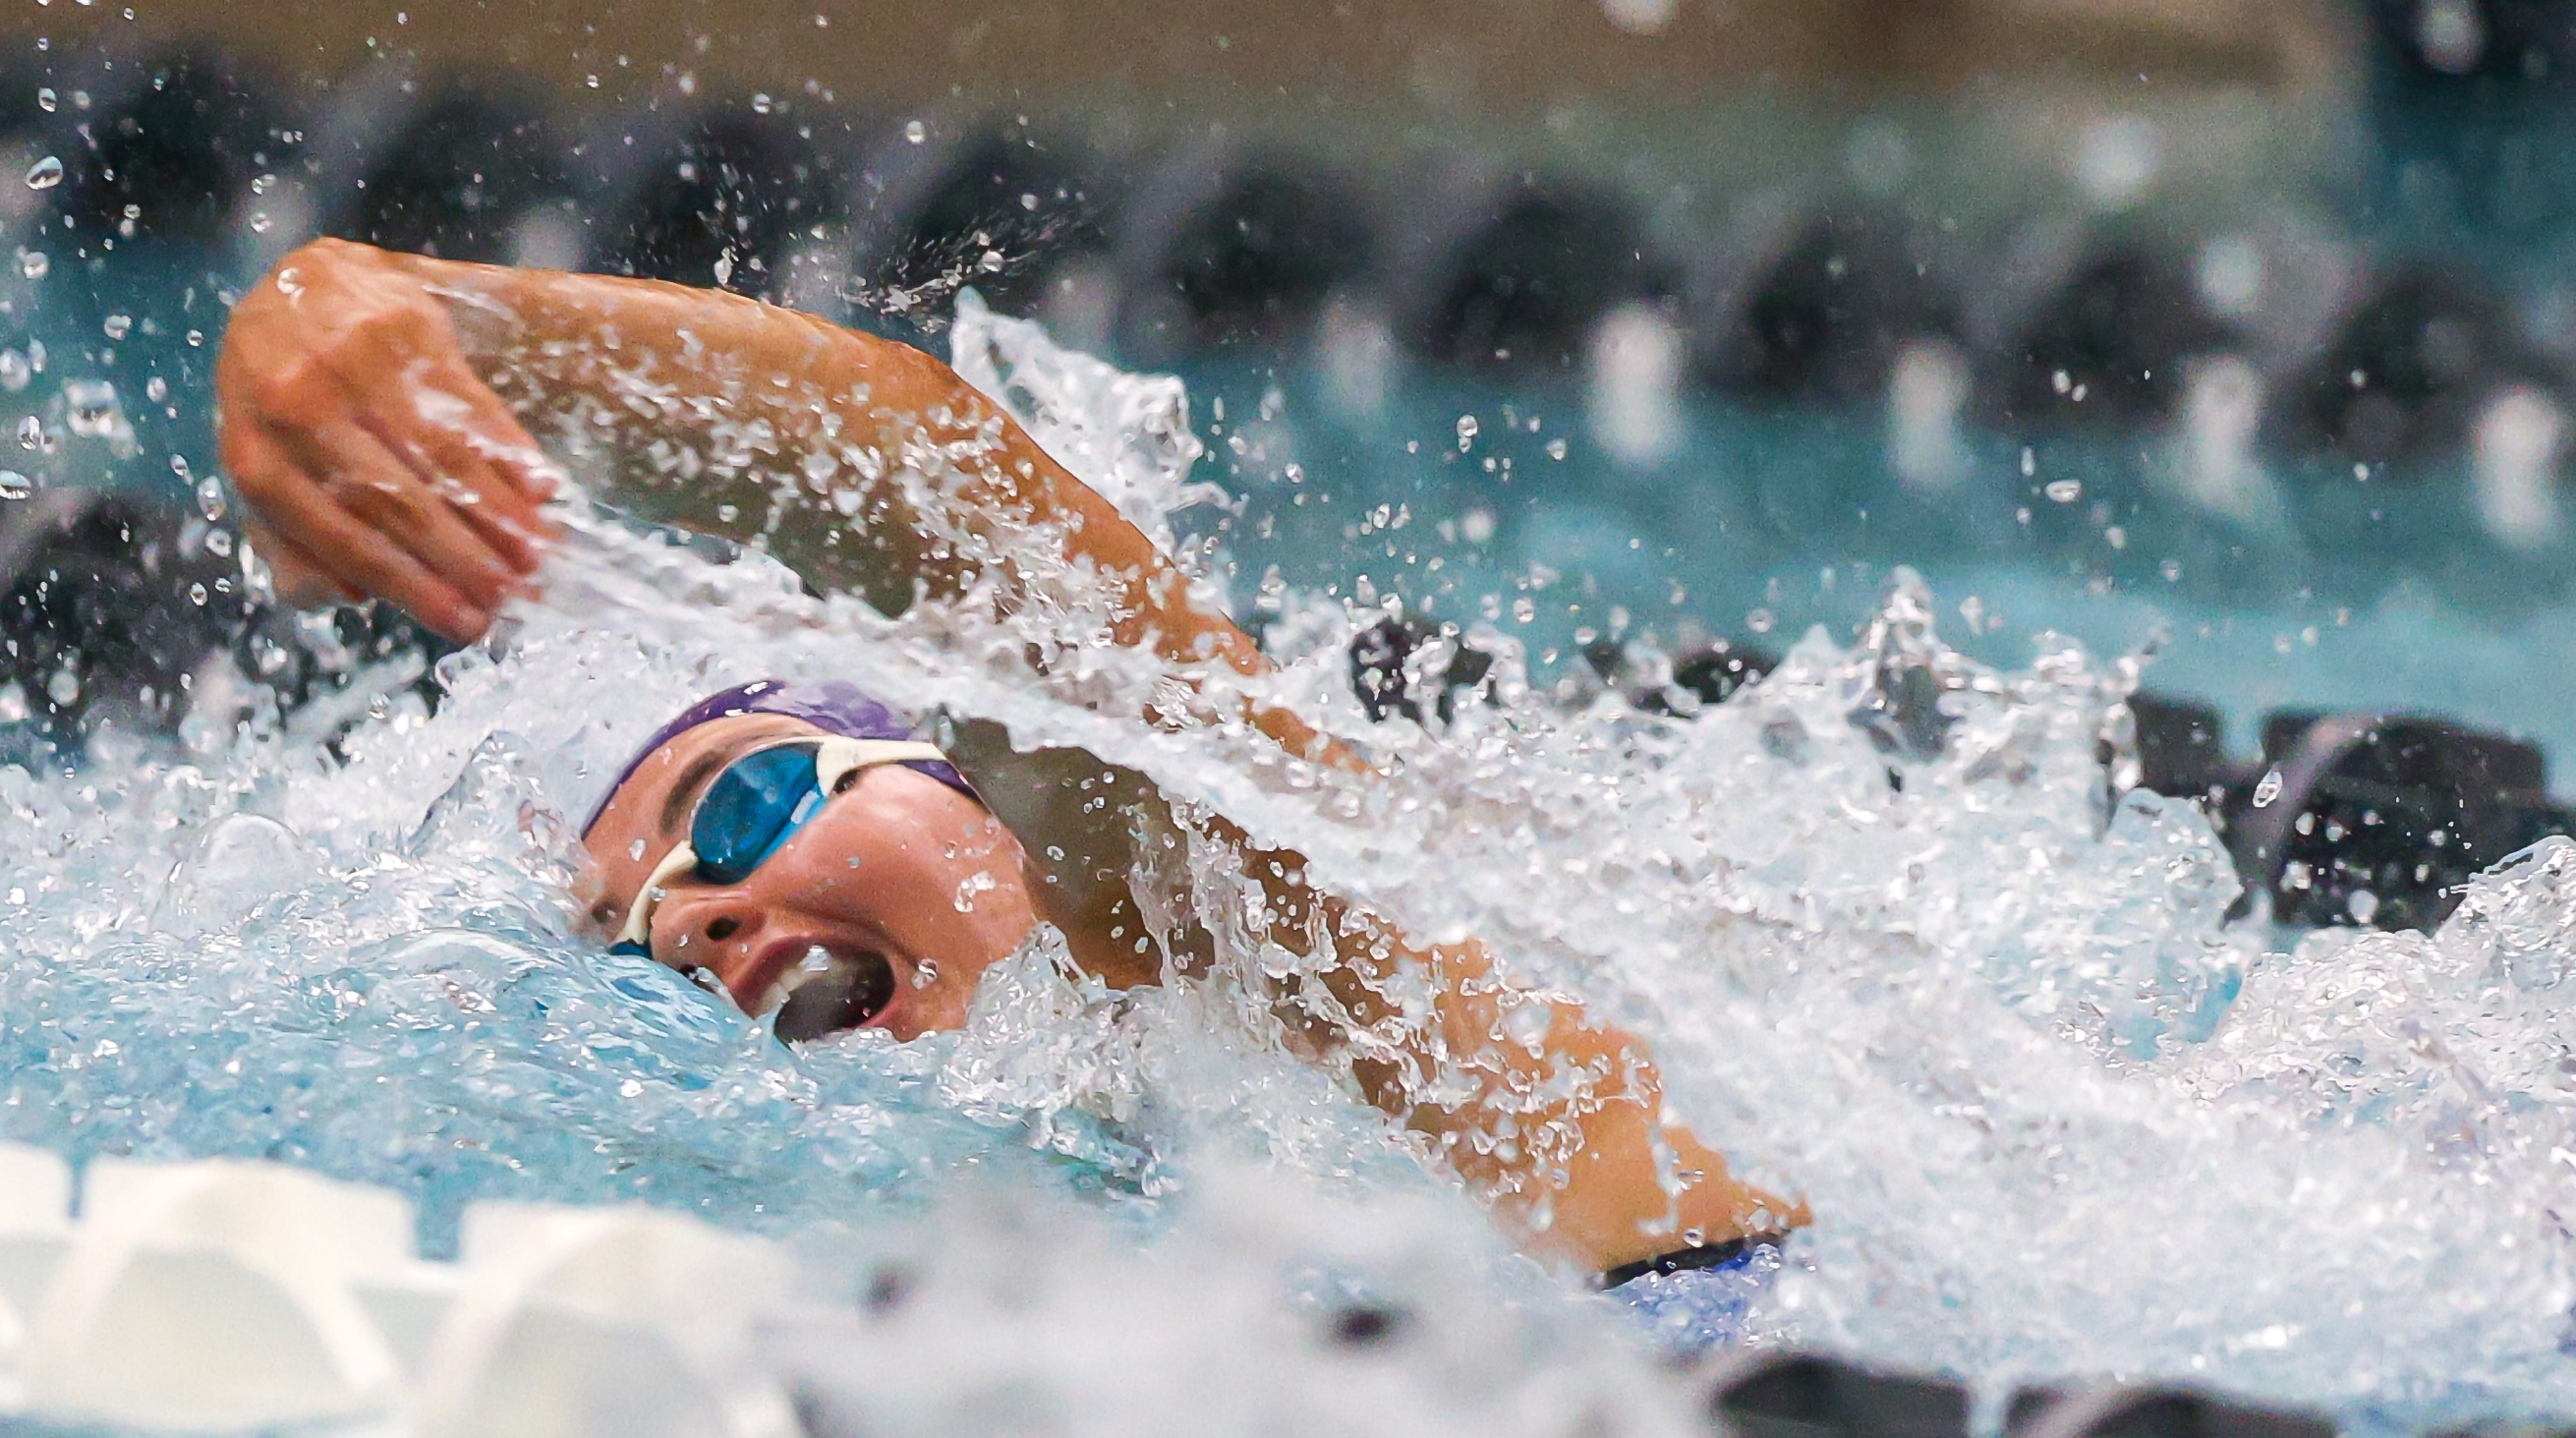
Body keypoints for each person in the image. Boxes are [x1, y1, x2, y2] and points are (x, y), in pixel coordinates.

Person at [215, 239, 1803, 1283]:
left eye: (740, 802)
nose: (690, 926)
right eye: (635, 952)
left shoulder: (1297, 936)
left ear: (965, 769)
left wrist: (435, 330)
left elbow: (937, 500)